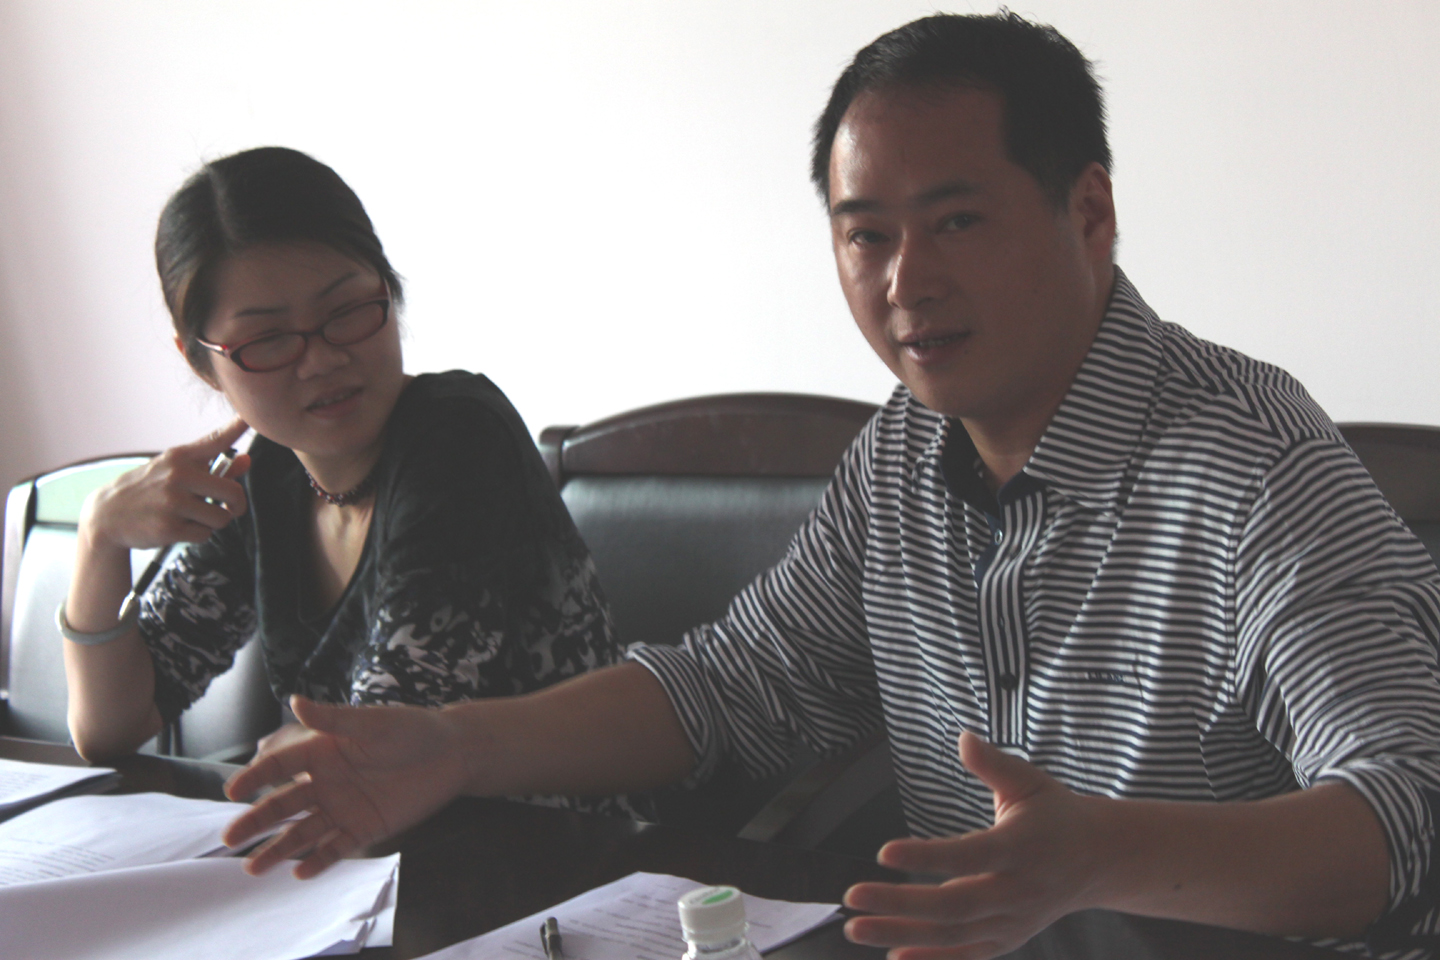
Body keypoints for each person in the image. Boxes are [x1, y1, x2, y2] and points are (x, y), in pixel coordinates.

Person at [221, 15, 1440, 960]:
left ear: (1090, 212)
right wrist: (454, 745)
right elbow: (731, 686)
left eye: (956, 222)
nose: (906, 282)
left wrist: (1106, 853)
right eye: (866, 235)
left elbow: (1408, 813)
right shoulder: (904, 453)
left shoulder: (1255, 462)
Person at [61, 147, 635, 820]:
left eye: (348, 311)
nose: (323, 360)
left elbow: (373, 754)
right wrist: (98, 538)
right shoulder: (264, 475)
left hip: (559, 857)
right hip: (378, 858)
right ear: (202, 362)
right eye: (268, 340)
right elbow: (109, 729)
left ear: (388, 289)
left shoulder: (459, 438)